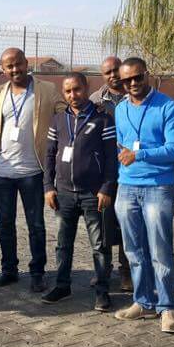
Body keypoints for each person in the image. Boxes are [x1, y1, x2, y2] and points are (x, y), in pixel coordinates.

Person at [112, 57, 174, 334]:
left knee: (160, 251)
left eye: (137, 77)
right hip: (127, 186)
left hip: (158, 186)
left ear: (147, 75)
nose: (132, 84)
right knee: (133, 250)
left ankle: (168, 306)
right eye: (126, 80)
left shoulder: (167, 106)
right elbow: (120, 147)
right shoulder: (120, 110)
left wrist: (139, 154)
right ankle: (143, 302)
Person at [0, 48, 64, 292]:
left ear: (26, 63)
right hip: (2, 172)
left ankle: (37, 272)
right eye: (9, 66)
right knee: (3, 223)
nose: (14, 69)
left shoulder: (47, 89)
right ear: (3, 69)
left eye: (18, 64)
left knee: (36, 225)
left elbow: (65, 115)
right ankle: (9, 270)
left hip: (33, 171)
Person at [42, 73, 118, 310]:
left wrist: (106, 188)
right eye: (67, 91)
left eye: (77, 90)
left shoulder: (103, 120)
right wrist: (48, 187)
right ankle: (62, 285)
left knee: (100, 245)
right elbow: (49, 155)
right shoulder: (57, 120)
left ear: (86, 89)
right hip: (63, 193)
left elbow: (110, 159)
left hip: (93, 195)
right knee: (63, 243)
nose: (72, 95)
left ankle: (102, 291)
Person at [89, 56, 132, 292]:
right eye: (108, 72)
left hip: (130, 169)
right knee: (102, 225)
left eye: (116, 70)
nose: (113, 75)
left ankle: (126, 271)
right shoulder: (95, 100)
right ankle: (102, 271)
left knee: (126, 223)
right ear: (102, 75)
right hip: (103, 172)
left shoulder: (136, 95)